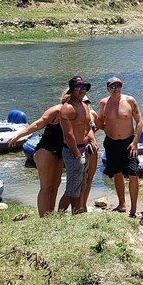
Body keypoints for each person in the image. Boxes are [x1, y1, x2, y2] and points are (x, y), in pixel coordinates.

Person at [7, 91, 69, 217]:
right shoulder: (56, 110)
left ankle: (50, 215)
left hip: (60, 152)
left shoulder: (75, 111)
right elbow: (38, 124)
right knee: (46, 186)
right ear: (65, 98)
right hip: (46, 150)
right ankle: (44, 218)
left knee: (55, 184)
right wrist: (18, 136)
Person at [98, 76, 143, 217]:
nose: (116, 89)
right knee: (117, 173)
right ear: (108, 88)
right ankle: (122, 204)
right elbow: (100, 122)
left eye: (118, 86)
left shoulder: (129, 100)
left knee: (133, 174)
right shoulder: (104, 103)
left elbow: (139, 121)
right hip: (111, 142)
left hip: (128, 142)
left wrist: (135, 142)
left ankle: (134, 209)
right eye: (113, 86)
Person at [58, 76, 97, 214]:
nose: (82, 90)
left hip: (84, 149)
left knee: (81, 186)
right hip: (72, 151)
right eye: (78, 87)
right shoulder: (67, 109)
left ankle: (77, 213)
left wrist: (91, 141)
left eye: (84, 87)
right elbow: (68, 135)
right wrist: (76, 154)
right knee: (71, 188)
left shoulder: (84, 105)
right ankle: (58, 217)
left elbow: (87, 128)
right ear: (72, 90)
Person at [80, 95, 99, 212]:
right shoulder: (74, 114)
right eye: (83, 101)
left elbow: (95, 128)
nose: (85, 103)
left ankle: (84, 204)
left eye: (87, 101)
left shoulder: (93, 114)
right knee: (81, 179)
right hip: (81, 149)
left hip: (92, 150)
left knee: (90, 178)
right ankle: (78, 205)